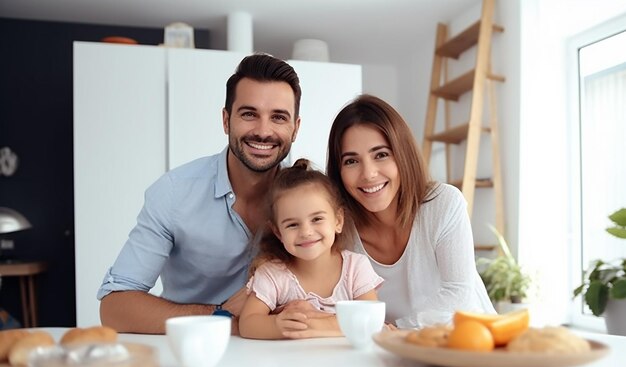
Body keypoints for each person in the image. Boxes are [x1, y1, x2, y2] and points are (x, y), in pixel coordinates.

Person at [98, 53, 302, 334]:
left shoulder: (312, 196)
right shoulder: (174, 193)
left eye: (278, 117)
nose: (263, 131)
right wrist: (222, 317)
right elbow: (115, 307)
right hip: (193, 352)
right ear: (226, 120)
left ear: (295, 129)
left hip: (284, 354)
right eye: (249, 114)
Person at [325, 94, 496, 329]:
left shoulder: (443, 203)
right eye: (351, 161)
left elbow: (459, 295)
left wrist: (394, 329)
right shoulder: (338, 229)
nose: (368, 173)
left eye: (381, 155)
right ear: (339, 172)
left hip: (468, 343)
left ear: (402, 154)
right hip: (390, 352)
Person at [239, 159, 383, 340]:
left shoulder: (355, 267)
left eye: (316, 219)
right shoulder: (272, 274)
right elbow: (247, 324)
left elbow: (370, 320)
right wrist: (277, 325)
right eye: (292, 224)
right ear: (278, 233)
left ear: (338, 221)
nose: (306, 232)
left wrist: (316, 324)